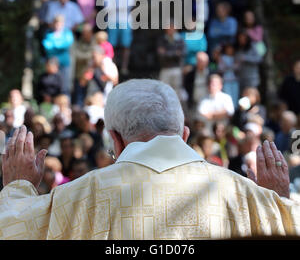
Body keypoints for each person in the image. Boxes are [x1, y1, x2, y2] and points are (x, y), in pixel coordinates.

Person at [1, 79, 299, 240]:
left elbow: (11, 230)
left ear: (115, 139)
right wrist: (277, 203)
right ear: (184, 134)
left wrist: (17, 187)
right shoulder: (242, 194)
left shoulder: (76, 197)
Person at [42, 15, 74, 95]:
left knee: (65, 85)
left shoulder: (67, 32)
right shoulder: (49, 33)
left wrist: (54, 44)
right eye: (56, 23)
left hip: (64, 63)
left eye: (59, 23)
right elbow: (47, 46)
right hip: (52, 64)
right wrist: (59, 44)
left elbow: (67, 44)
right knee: (51, 84)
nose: (58, 25)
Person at [157, 23, 185, 97]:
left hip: (176, 69)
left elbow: (182, 53)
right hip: (165, 68)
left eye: (172, 27)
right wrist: (175, 53)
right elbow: (160, 54)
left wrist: (167, 53)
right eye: (169, 27)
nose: (171, 29)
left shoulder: (180, 40)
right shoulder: (162, 39)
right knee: (163, 92)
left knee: (177, 92)